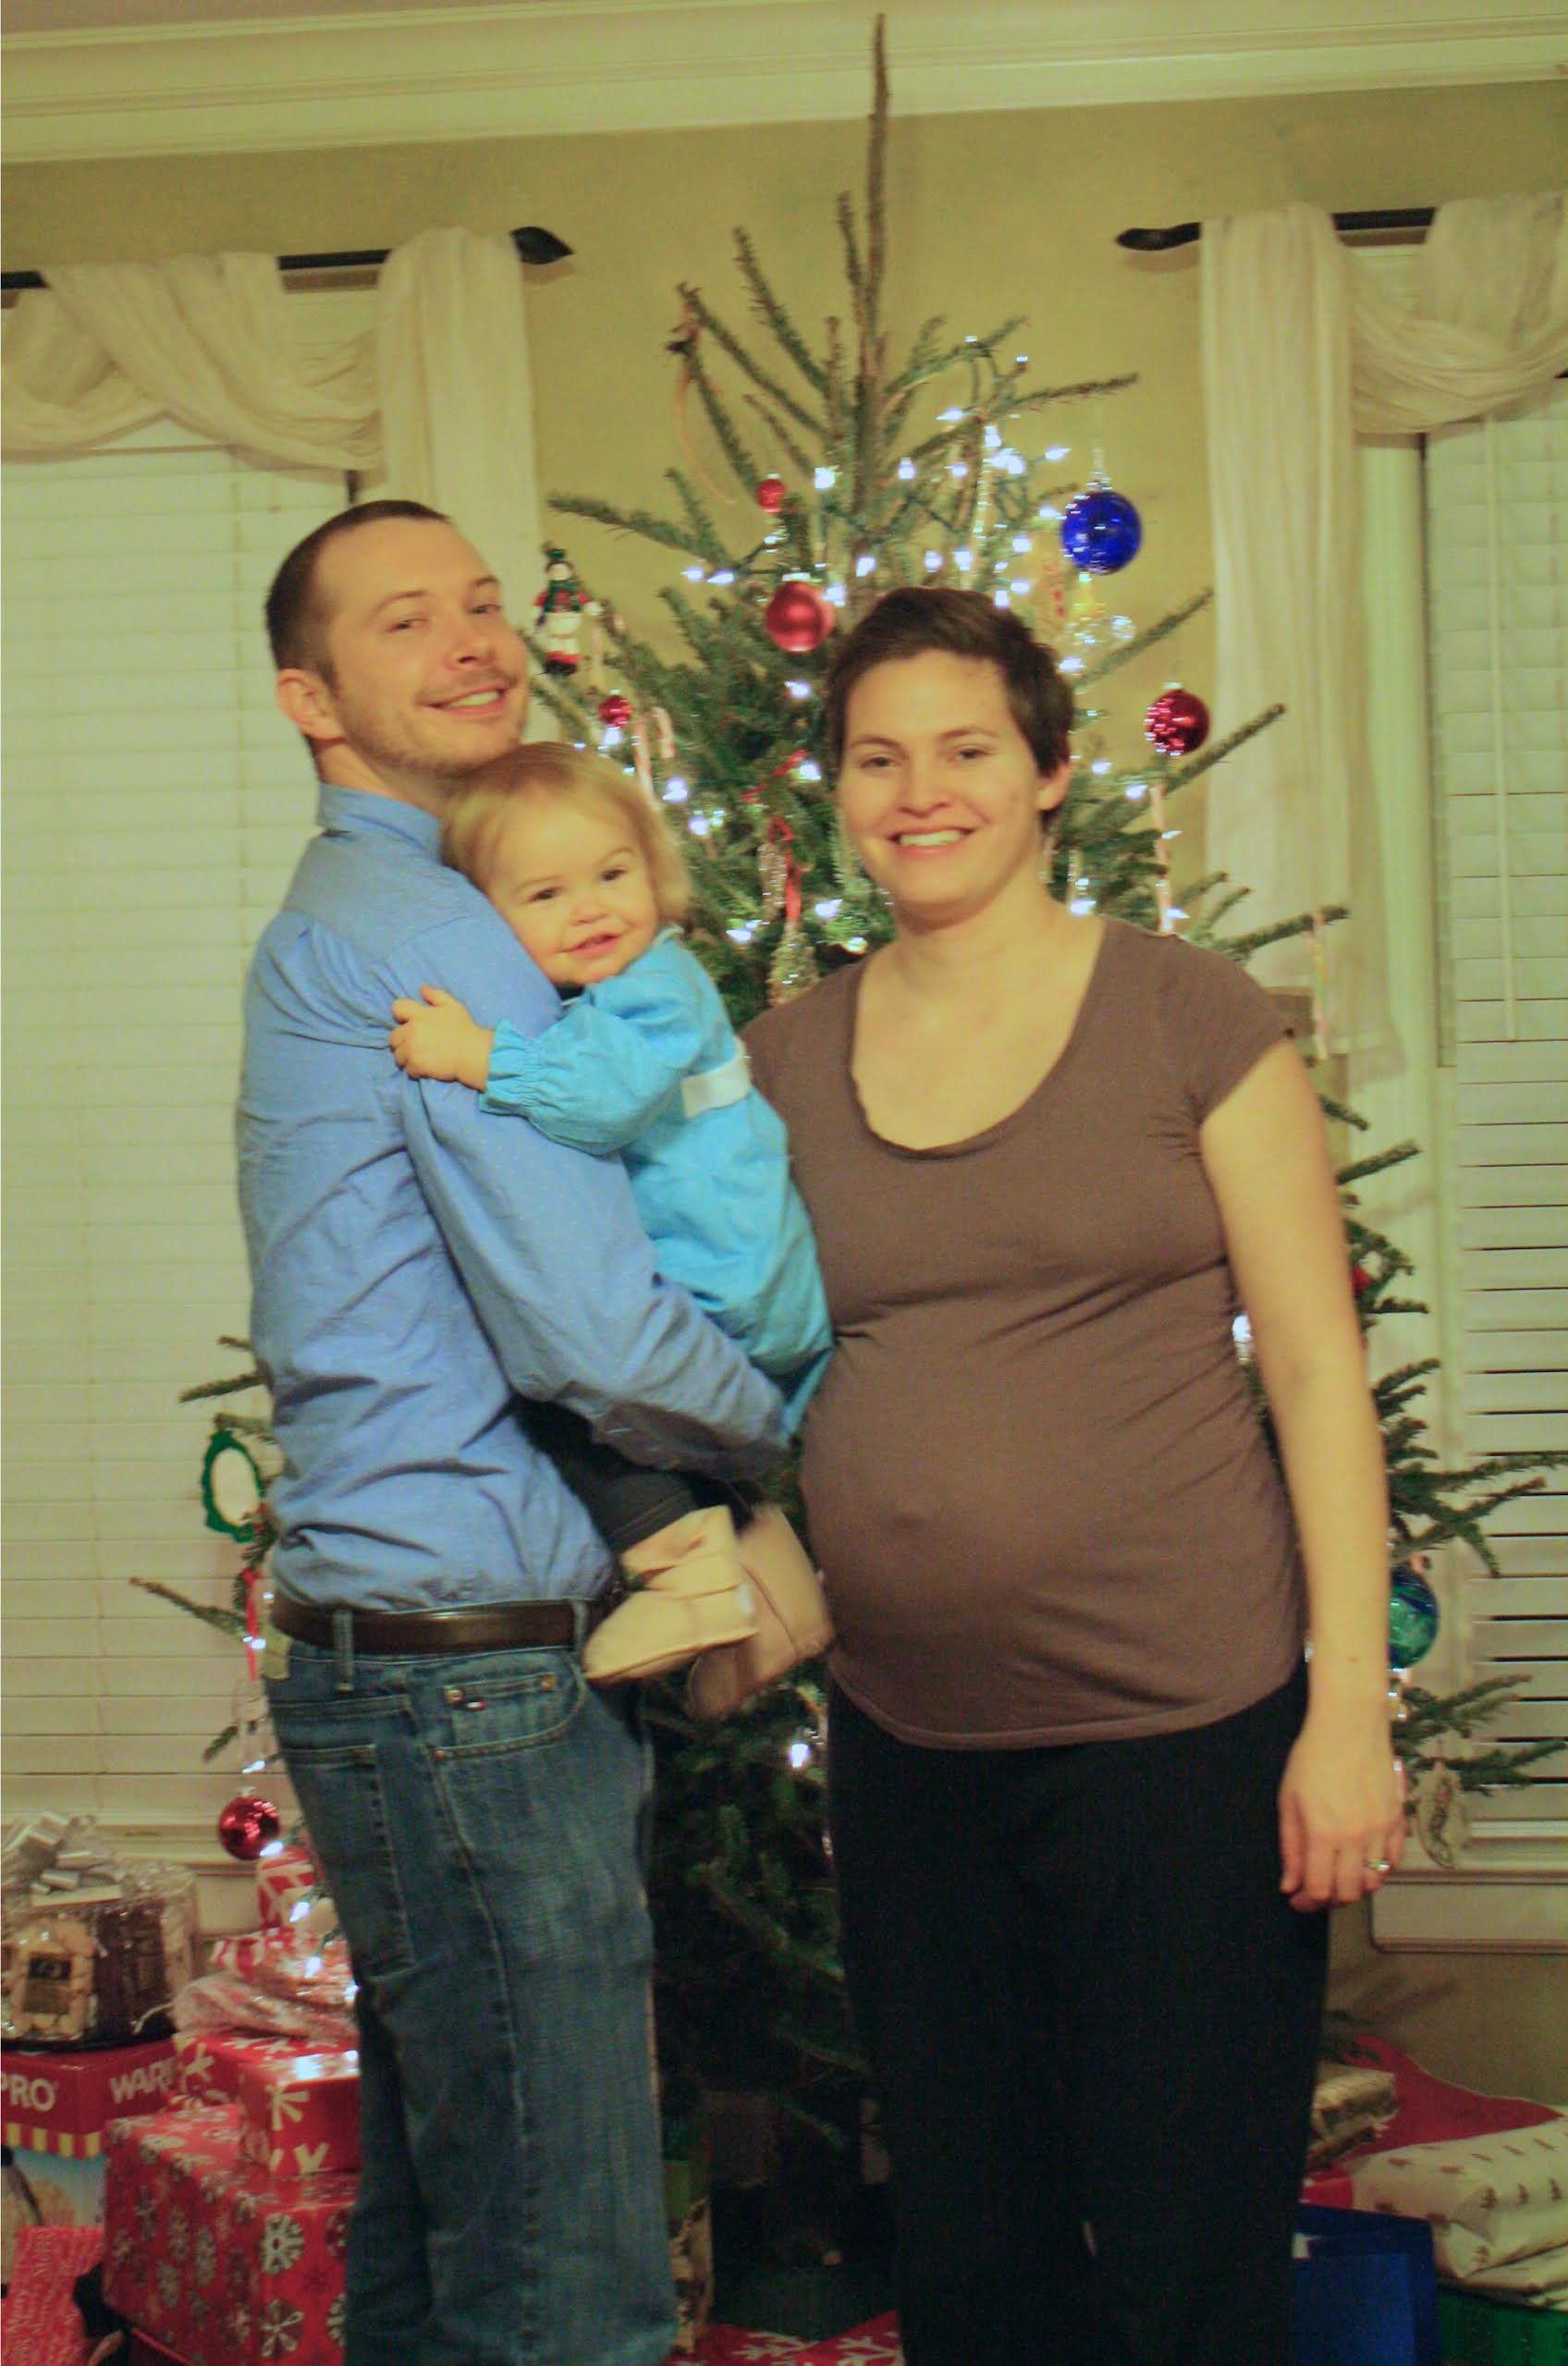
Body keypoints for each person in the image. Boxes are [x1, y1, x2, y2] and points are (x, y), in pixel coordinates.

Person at [743, 586, 1406, 2366]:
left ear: (1047, 770)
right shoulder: (780, 1060)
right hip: (912, 1747)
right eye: (876, 758)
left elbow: (1318, 1373)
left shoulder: (1190, 1015)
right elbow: (710, 1359)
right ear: (837, 790)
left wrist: (1350, 1707)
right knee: (976, 2256)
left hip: (1186, 1738)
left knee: (1191, 2259)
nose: (920, 792)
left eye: (964, 748)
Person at [239, 498, 790, 2366]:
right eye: (406, 620)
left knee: (444, 2249)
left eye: (481, 601)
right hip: (465, 1674)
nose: (474, 638)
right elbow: (589, 1328)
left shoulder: (379, 912)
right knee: (565, 2293)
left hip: (404, 1660)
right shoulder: (436, 934)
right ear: (313, 697)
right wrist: (794, 1431)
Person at [386, 741, 833, 1709]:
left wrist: (475, 1055)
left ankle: (685, 1580)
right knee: (624, 1398)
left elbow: (603, 1099)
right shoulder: (614, 991)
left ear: (653, 873)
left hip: (734, 1280)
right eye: (545, 894)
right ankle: (766, 1587)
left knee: (562, 1382)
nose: (589, 908)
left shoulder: (659, 985)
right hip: (730, 1272)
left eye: (611, 875)